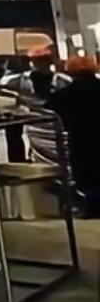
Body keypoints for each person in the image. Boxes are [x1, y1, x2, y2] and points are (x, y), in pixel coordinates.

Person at [45, 55, 100, 218]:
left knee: (86, 175)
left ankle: (92, 207)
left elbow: (48, 107)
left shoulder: (66, 93)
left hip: (81, 139)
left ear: (71, 72)